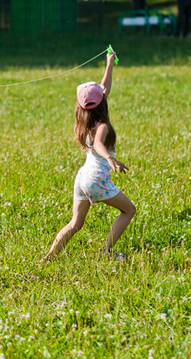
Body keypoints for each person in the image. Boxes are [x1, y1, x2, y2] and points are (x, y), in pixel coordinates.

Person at [43, 51, 136, 262]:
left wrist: (109, 64)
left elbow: (104, 90)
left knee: (75, 223)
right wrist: (111, 159)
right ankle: (106, 251)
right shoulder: (102, 126)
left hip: (82, 178)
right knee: (129, 210)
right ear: (102, 102)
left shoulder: (83, 122)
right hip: (96, 178)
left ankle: (48, 257)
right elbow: (99, 144)